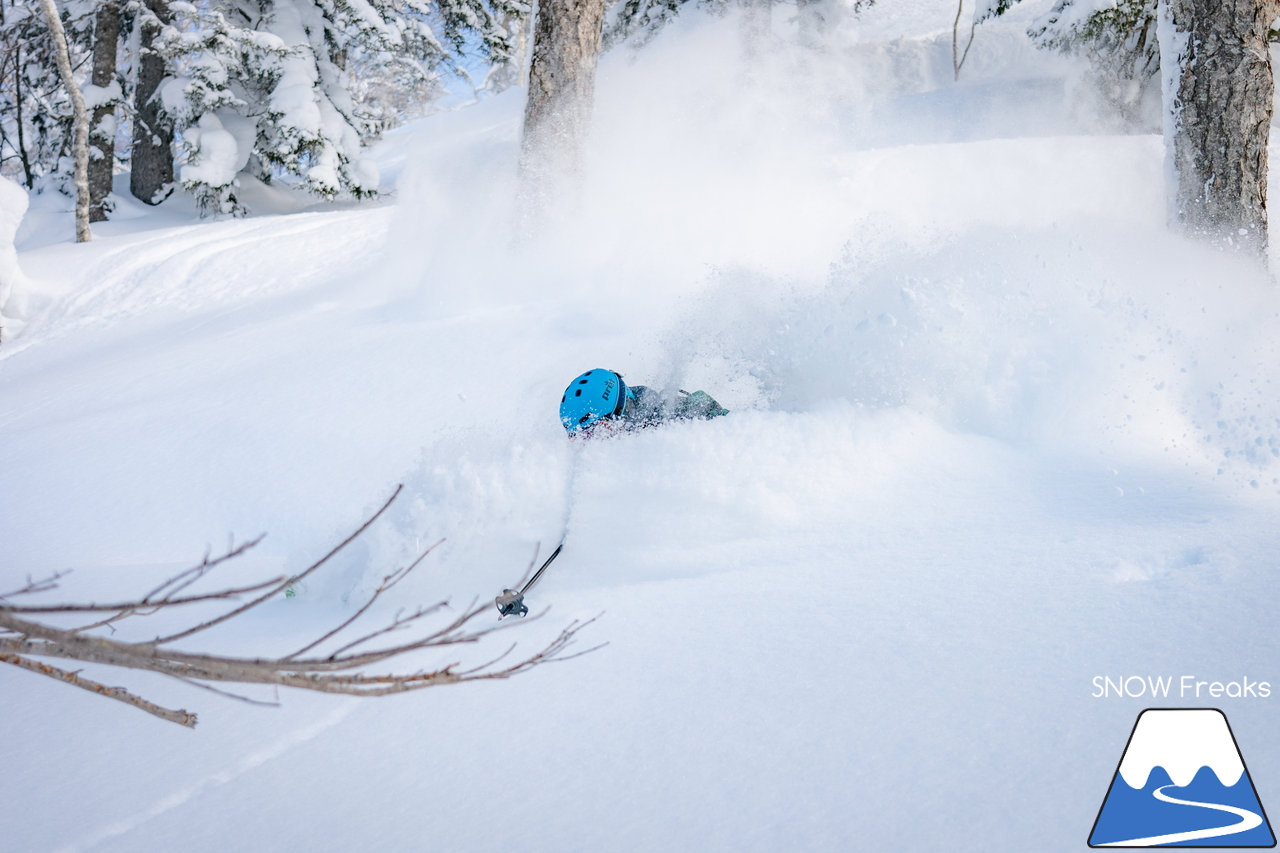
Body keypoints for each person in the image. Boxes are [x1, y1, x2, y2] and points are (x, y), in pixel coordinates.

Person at [559, 369, 728, 436]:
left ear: (620, 412)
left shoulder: (677, 418)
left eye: (595, 432)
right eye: (581, 436)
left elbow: (731, 424)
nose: (588, 442)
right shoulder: (633, 425)